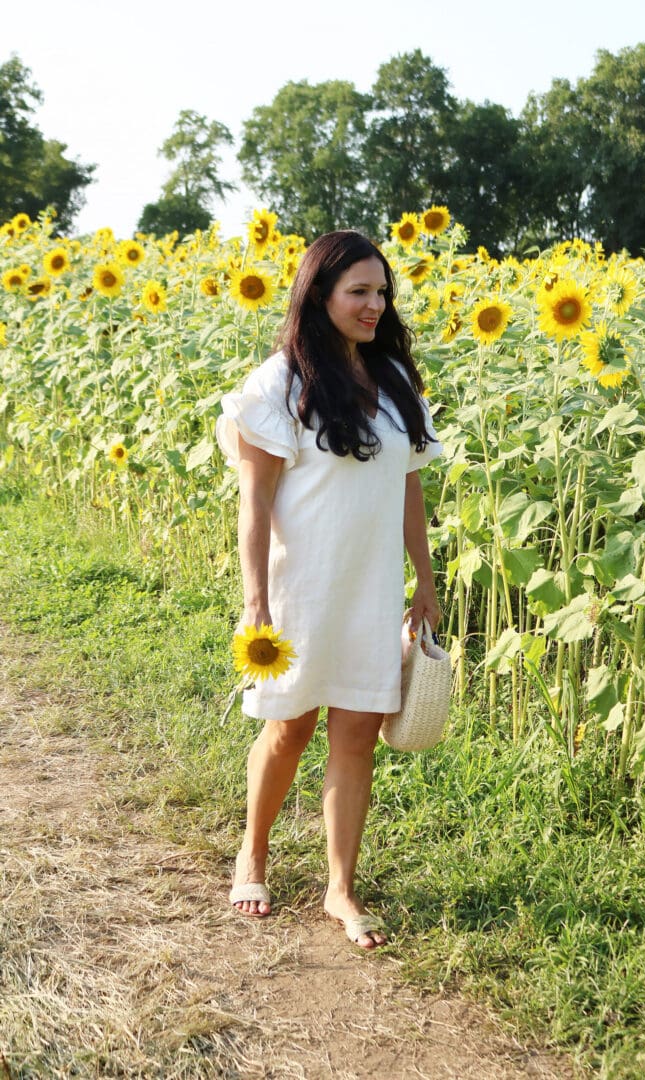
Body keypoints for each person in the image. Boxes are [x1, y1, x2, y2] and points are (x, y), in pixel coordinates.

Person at [215, 230, 443, 949]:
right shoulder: (278, 384)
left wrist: (426, 582)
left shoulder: (398, 383)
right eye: (359, 292)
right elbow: (254, 505)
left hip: (371, 590)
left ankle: (339, 889)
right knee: (290, 729)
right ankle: (254, 852)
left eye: (382, 293)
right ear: (319, 295)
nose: (375, 306)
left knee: (357, 737)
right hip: (300, 589)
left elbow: (408, 484)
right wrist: (256, 602)